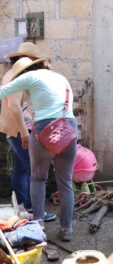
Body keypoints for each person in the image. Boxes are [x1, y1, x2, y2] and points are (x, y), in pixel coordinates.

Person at [0, 57, 78, 241]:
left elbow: (2, 92)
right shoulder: (61, 78)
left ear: (24, 71)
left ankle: (39, 225)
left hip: (44, 129)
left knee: (37, 178)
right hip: (68, 128)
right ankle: (67, 229)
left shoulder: (29, 76)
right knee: (66, 182)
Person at [0, 43, 56, 222]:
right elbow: (14, 106)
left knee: (21, 168)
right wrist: (25, 133)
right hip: (17, 129)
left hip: (11, 127)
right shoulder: (19, 74)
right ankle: (33, 209)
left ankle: (23, 207)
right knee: (34, 170)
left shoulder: (10, 72)